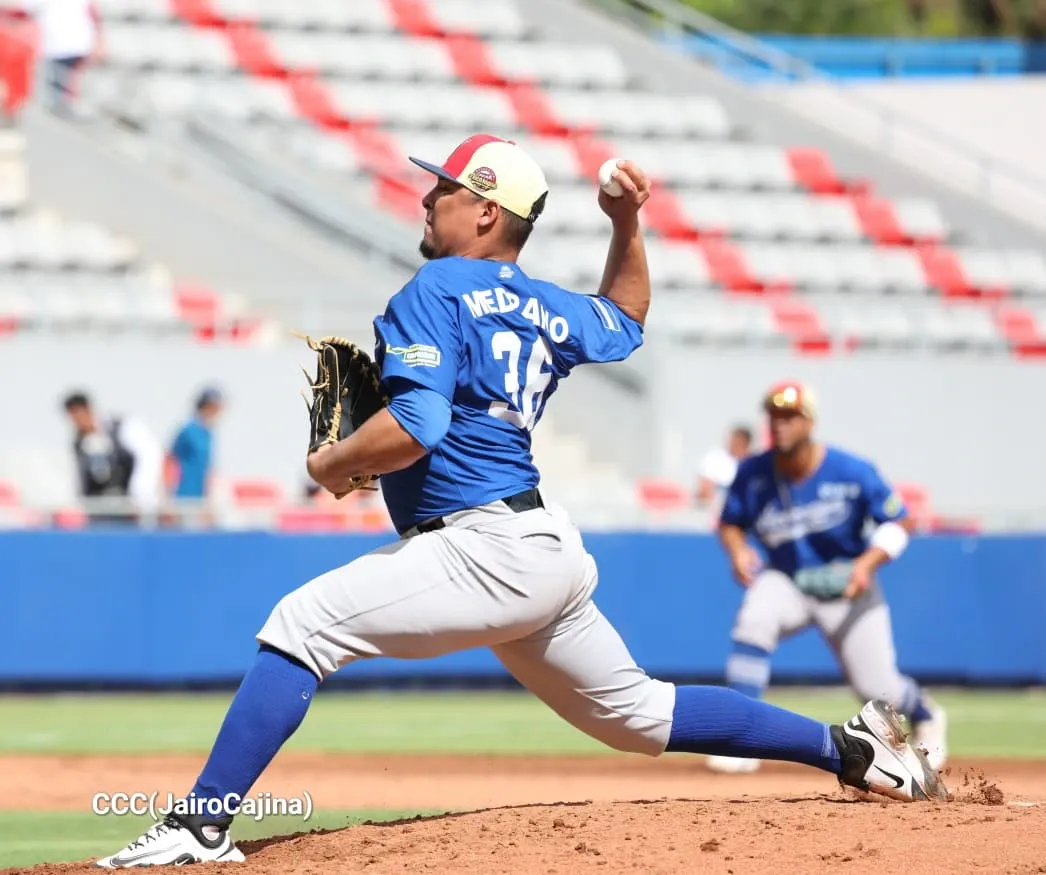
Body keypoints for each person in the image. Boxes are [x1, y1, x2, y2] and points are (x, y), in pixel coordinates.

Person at [95, 136, 946, 868]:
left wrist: (336, 463)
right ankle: (853, 750)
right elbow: (626, 314)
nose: (428, 197)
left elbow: (420, 423)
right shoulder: (539, 303)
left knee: (303, 623)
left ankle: (199, 826)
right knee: (637, 713)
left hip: (484, 546)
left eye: (448, 188)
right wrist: (626, 223)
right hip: (537, 545)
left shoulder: (433, 290)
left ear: (487, 214)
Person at [705, 381, 948, 776]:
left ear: (809, 421)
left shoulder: (850, 470)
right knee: (755, 619)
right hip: (788, 580)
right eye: (774, 416)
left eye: (790, 416)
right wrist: (737, 551)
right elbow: (730, 522)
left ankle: (926, 712)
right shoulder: (753, 473)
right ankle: (740, 739)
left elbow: (900, 519)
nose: (779, 424)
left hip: (847, 583)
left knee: (877, 689)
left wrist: (867, 563)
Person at [63, 391, 163, 526]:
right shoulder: (79, 444)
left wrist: (141, 497)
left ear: (88, 410)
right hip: (97, 513)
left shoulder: (119, 428)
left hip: (127, 509)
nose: (77, 421)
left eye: (78, 414)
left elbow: (150, 456)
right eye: (72, 416)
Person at [21, 0, 101, 116]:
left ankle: (62, 106)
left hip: (60, 42)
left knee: (61, 78)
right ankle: (64, 105)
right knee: (67, 76)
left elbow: (27, 9)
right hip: (74, 41)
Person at [168, 387, 223, 505]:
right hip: (182, 494)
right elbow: (169, 459)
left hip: (200, 496)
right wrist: (167, 495)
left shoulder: (208, 432)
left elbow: (207, 467)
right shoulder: (189, 430)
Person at [696, 424, 752, 522]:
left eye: (739, 442)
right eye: (733, 440)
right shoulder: (715, 459)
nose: (734, 444)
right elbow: (704, 491)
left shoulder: (753, 464)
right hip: (716, 517)